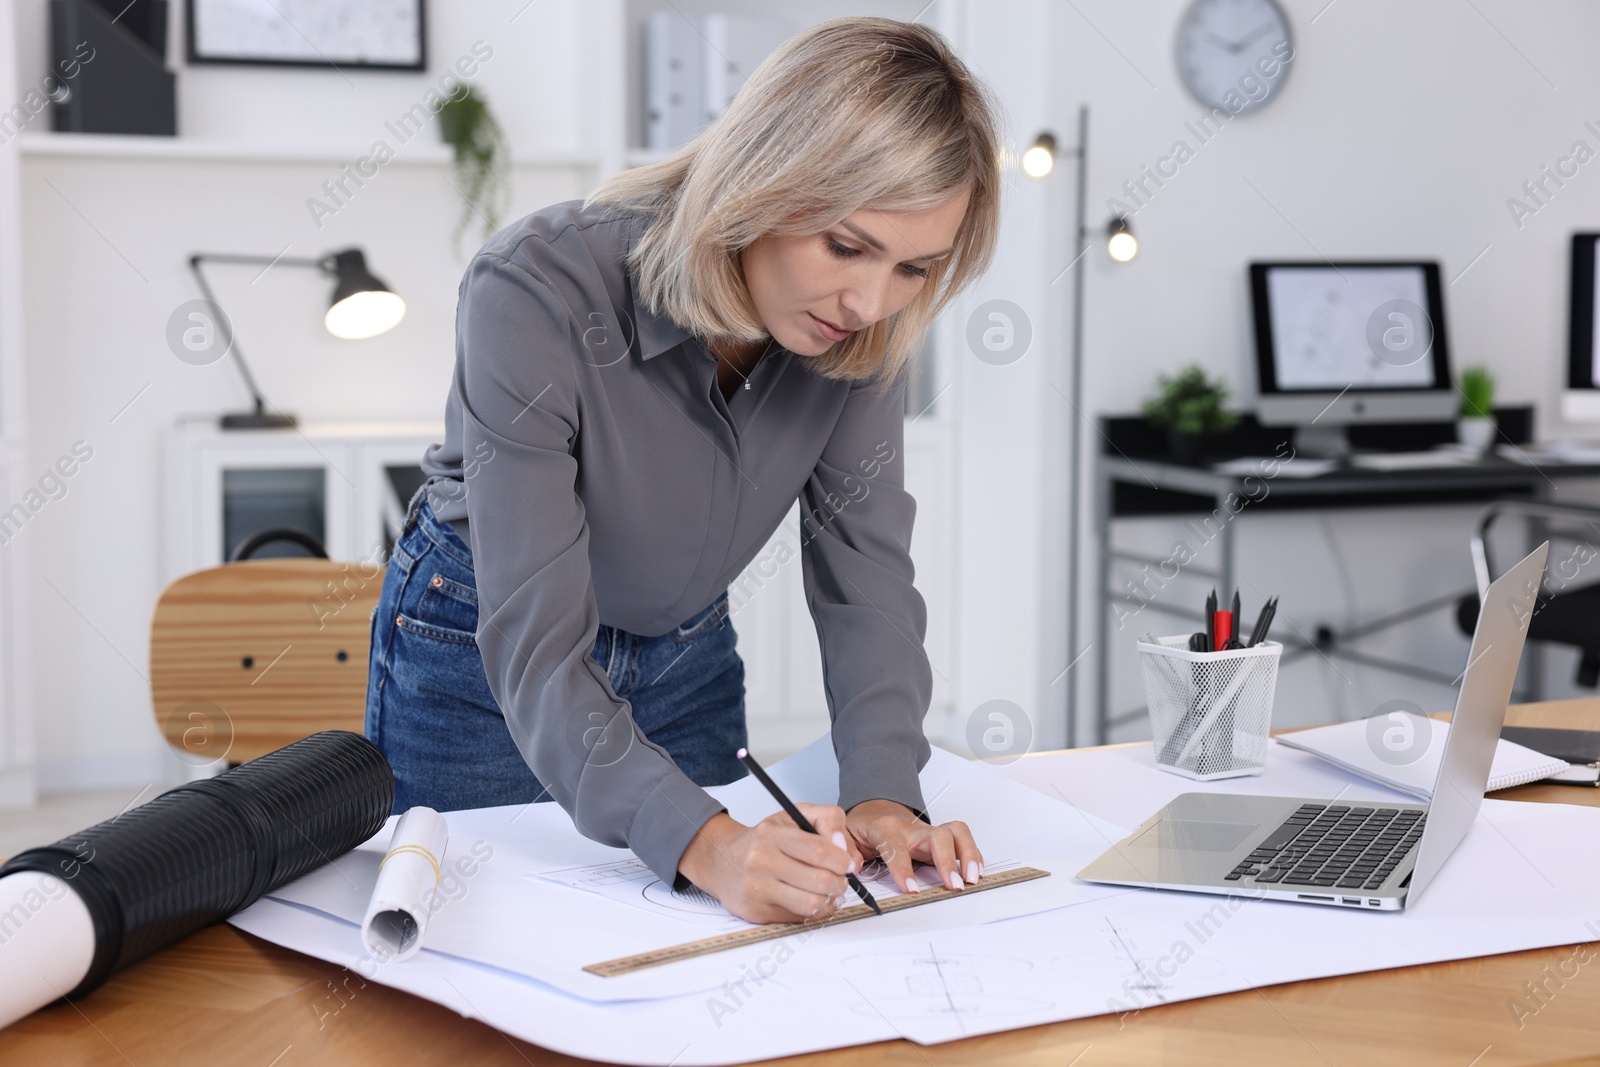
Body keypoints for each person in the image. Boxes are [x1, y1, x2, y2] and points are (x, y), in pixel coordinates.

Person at [366, 16, 1003, 924]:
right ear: (762, 177)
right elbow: (539, 645)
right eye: (846, 245)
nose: (870, 301)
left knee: (707, 967)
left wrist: (884, 795)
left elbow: (868, 581)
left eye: (915, 268)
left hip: (686, 655)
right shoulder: (534, 289)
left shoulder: (865, 329)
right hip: (482, 657)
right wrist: (710, 844)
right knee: (461, 955)